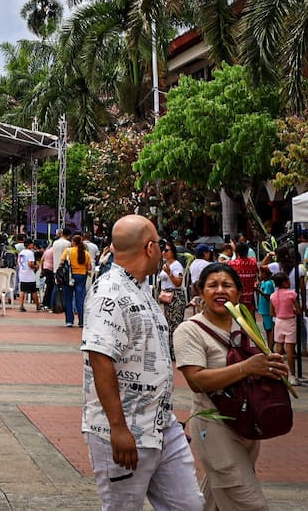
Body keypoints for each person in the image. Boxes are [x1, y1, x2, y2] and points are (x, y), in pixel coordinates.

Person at [82, 215, 201, 510]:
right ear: (150, 248)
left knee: (188, 505)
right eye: (160, 244)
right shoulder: (108, 291)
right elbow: (100, 360)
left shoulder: (141, 288)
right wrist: (118, 428)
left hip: (161, 424)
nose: (162, 250)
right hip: (125, 430)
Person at [173, 262, 287, 508]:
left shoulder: (245, 324)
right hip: (214, 425)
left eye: (227, 285)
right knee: (250, 504)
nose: (220, 290)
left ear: (238, 291)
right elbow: (196, 380)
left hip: (246, 423)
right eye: (212, 285)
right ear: (200, 291)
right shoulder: (189, 330)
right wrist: (247, 367)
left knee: (216, 500)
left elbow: (259, 367)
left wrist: (273, 369)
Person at [269, 272, 301, 386]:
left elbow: (271, 312)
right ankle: (292, 375)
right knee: (290, 351)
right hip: (290, 322)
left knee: (278, 348)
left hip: (278, 321)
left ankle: (278, 373)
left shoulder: (272, 295)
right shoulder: (292, 294)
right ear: (285, 282)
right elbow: (298, 310)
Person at [157, 242, 186, 357]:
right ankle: (169, 350)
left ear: (173, 252)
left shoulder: (176, 265)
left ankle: (175, 351)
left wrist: (169, 273)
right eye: (163, 250)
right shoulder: (165, 264)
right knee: (168, 323)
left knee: (175, 324)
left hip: (175, 296)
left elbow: (178, 283)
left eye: (167, 250)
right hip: (167, 296)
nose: (164, 252)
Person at [61, 234, 92, 328]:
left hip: (69, 277)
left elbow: (61, 263)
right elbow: (89, 267)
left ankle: (69, 321)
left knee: (68, 298)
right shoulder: (86, 253)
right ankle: (82, 321)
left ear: (73, 242)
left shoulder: (68, 251)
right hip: (82, 276)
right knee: (80, 299)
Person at [228, 242, 259, 311]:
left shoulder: (232, 264)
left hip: (237, 296)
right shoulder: (253, 263)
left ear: (237, 252)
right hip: (250, 296)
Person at [256, 266, 276, 349]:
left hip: (267, 309)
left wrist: (259, 291)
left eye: (260, 273)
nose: (259, 275)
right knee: (267, 328)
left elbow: (268, 296)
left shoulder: (268, 283)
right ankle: (269, 346)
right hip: (264, 309)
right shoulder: (264, 282)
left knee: (270, 329)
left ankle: (270, 347)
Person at [17, 238, 40, 312]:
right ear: (30, 245)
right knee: (34, 291)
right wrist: (36, 267)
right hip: (29, 275)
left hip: (22, 274)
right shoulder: (30, 253)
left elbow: (19, 263)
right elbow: (30, 264)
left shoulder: (21, 253)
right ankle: (38, 306)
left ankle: (21, 306)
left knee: (22, 290)